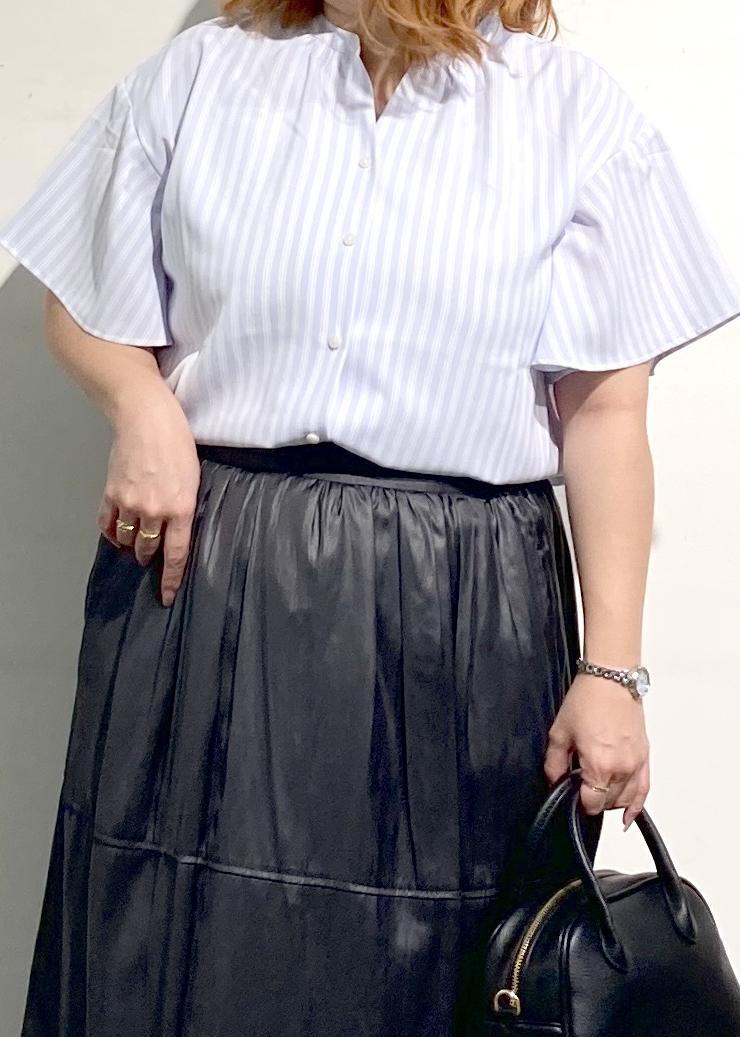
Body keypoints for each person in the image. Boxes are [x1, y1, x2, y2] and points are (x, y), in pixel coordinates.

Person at [1, 1, 739, 1034]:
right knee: (177, 945)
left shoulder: (571, 112)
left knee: (428, 966)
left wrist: (611, 673)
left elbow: (606, 414)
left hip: (458, 608)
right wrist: (141, 406)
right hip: (211, 581)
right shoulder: (201, 76)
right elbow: (81, 298)